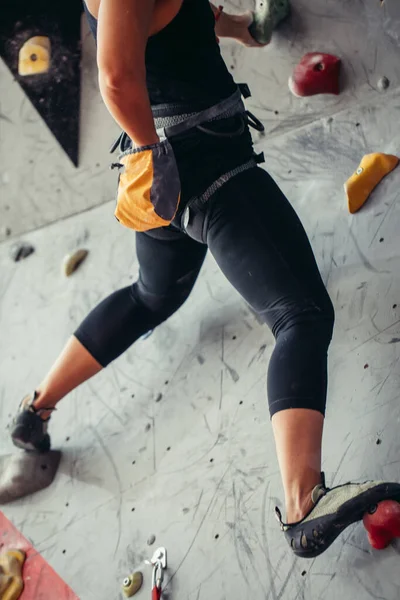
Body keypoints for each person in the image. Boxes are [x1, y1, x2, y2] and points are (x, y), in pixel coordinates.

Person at [11, 0, 400, 558]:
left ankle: (36, 409)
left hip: (172, 176)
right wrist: (154, 154)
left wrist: (242, 28)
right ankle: (302, 503)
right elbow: (117, 76)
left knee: (153, 295)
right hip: (206, 169)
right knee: (302, 317)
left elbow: (169, 18)